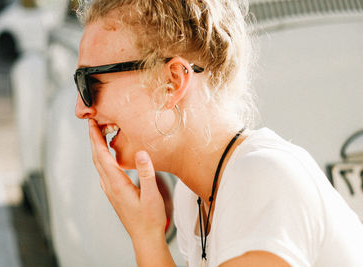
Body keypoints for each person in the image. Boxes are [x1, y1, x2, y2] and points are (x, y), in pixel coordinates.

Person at [73, 0, 363, 266]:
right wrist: (145, 234)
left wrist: (146, 239)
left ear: (172, 81)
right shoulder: (195, 197)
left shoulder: (261, 179)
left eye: (90, 82)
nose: (80, 108)